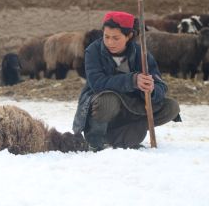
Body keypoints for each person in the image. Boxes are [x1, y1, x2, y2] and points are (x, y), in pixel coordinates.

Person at [73, 11, 181, 151]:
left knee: (171, 107)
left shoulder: (141, 54)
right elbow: (97, 83)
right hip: (102, 105)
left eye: (116, 38)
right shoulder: (93, 51)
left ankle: (125, 135)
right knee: (108, 101)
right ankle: (95, 139)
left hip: (132, 107)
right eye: (106, 37)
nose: (110, 42)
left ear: (129, 36)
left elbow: (160, 84)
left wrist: (151, 89)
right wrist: (132, 80)